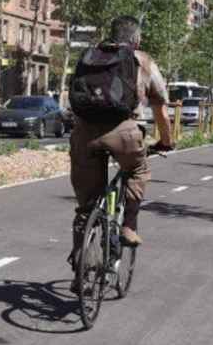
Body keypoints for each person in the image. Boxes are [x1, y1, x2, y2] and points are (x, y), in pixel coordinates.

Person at [67, 15, 174, 267]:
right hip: (124, 133)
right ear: (136, 39)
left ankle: (81, 258)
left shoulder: (90, 57)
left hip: (84, 134)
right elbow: (160, 109)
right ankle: (128, 226)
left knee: (86, 206)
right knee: (137, 169)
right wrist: (166, 141)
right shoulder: (143, 61)